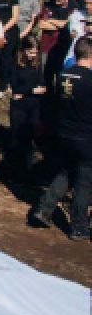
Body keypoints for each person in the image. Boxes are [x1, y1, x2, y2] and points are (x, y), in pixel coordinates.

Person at [30, 35, 92, 240]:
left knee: (65, 173)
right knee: (83, 181)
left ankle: (43, 210)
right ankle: (79, 226)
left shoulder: (64, 75)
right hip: (86, 137)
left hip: (64, 133)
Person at [7, 34, 47, 177]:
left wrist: (37, 90)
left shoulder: (37, 63)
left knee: (31, 136)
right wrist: (31, 91)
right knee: (17, 138)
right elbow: (15, 88)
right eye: (30, 52)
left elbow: (41, 82)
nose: (32, 55)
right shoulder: (15, 64)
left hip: (34, 105)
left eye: (35, 52)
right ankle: (14, 170)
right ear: (23, 50)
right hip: (19, 106)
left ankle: (28, 171)